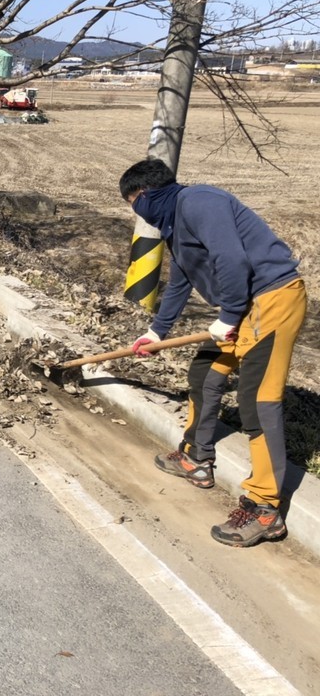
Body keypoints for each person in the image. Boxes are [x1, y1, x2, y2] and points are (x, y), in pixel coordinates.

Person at [119, 158, 306, 548]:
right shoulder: (177, 227)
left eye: (133, 201)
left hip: (272, 300)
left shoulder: (199, 202)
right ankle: (197, 457)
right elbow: (180, 283)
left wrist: (230, 313)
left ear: (147, 194)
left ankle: (265, 508)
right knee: (204, 375)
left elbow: (232, 260)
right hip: (244, 307)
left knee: (258, 401)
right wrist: (156, 331)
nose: (135, 211)